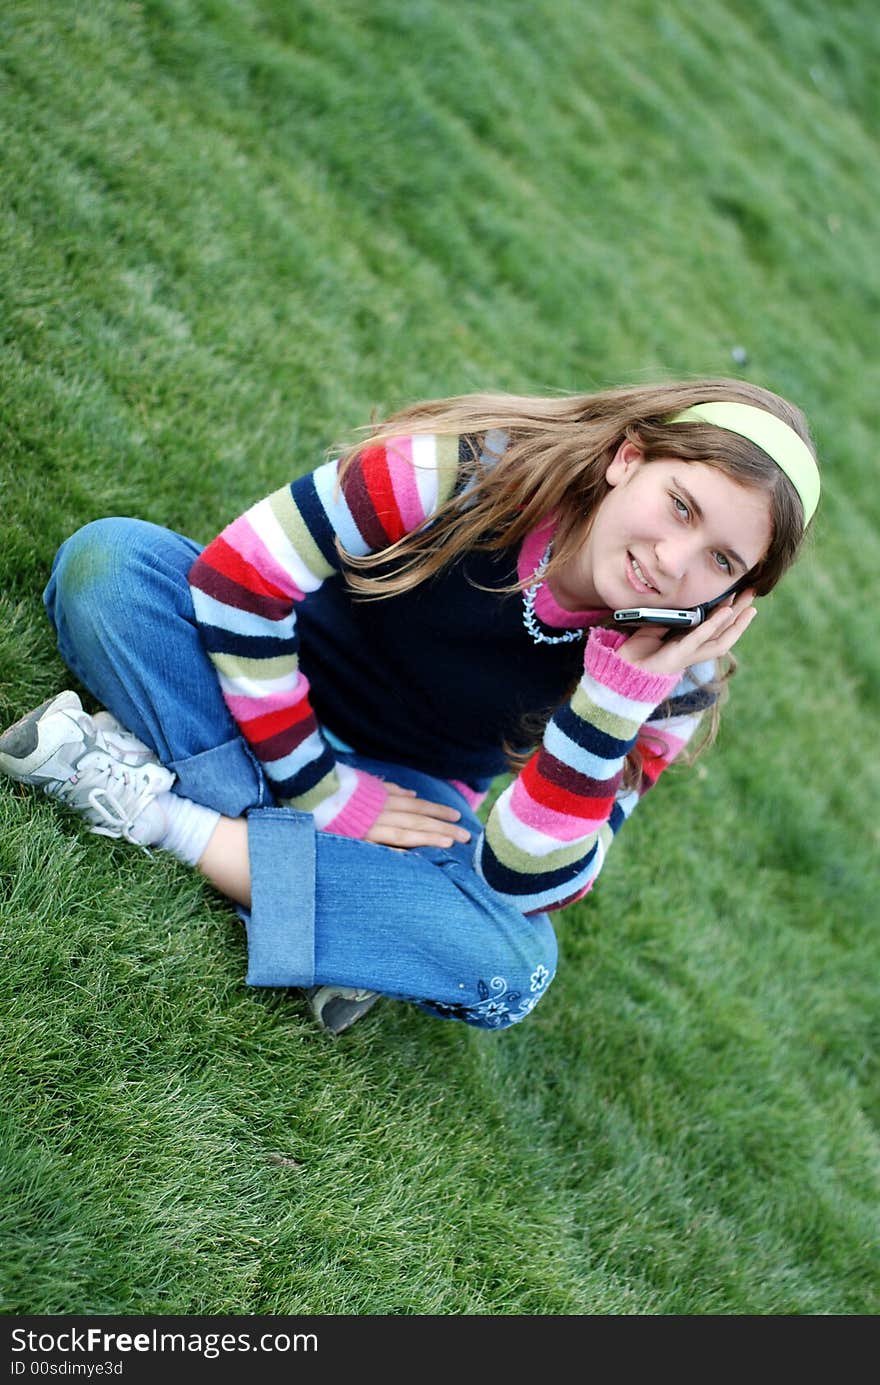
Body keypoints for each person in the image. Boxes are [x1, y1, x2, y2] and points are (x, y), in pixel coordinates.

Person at [0, 380, 820, 1034]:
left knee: (512, 963)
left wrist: (613, 700)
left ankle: (153, 807)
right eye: (681, 504)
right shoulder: (461, 468)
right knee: (109, 565)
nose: (673, 561)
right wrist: (323, 794)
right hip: (254, 676)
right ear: (629, 458)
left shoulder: (675, 679)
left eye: (720, 558)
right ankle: (328, 905)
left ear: (737, 594)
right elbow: (236, 583)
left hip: (410, 797)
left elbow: (527, 880)